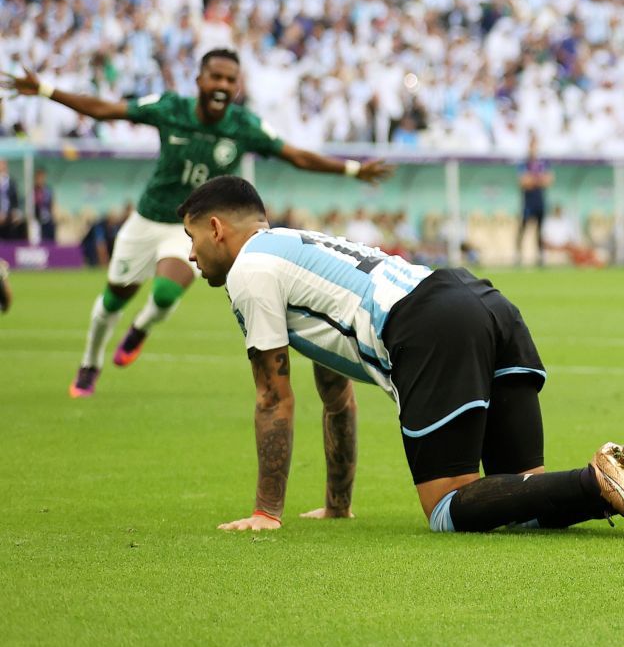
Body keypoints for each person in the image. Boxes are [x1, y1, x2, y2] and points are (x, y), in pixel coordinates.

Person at [177, 175, 624, 539]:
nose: (191, 253)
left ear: (216, 228)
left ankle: (600, 479)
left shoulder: (249, 272)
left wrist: (266, 511)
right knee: (518, 498)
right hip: (484, 301)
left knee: (447, 508)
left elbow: (273, 397)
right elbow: (335, 391)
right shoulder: (296, 247)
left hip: (429, 326)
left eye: (191, 237)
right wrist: (336, 505)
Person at [5, 50, 394, 398]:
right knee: (112, 301)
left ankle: (140, 329)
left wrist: (351, 168)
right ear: (200, 81)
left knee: (165, 294)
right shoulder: (170, 108)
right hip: (146, 220)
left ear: (237, 86)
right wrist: (44, 89)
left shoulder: (243, 126)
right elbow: (107, 110)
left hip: (188, 227)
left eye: (230, 80)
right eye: (216, 77)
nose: (223, 85)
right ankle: (91, 363)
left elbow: (294, 155)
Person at [516, 136, 552, 267]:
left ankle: (540, 257)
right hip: (527, 202)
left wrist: (533, 180)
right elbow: (523, 182)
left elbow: (549, 180)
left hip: (540, 202)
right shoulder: (523, 163)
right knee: (523, 229)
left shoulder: (544, 163)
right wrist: (538, 180)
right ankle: (518, 256)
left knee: (540, 231)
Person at [0, 158, 21, 240]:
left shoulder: (12, 182)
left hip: (9, 216)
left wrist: (15, 212)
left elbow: (15, 201)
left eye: (3, 164)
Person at [32, 168, 55, 244]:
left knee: (50, 239)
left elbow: (52, 204)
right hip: (37, 219)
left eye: (42, 177)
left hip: (48, 219)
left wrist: (53, 216)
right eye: (38, 177)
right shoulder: (33, 190)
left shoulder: (48, 190)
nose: (40, 179)